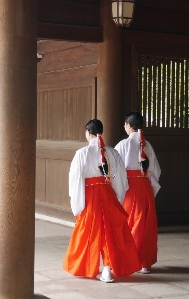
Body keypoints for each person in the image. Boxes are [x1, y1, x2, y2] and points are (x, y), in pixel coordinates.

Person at [63, 119, 141, 283]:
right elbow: (120, 179)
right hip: (108, 194)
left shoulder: (82, 153)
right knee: (110, 233)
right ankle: (107, 268)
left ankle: (92, 268)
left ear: (87, 133)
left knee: (90, 231)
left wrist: (77, 205)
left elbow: (76, 181)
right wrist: (118, 198)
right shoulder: (112, 152)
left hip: (90, 197)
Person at [115, 111, 161, 274]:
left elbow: (116, 169)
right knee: (145, 224)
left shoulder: (123, 145)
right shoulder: (147, 145)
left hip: (130, 187)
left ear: (128, 125)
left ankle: (129, 259)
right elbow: (155, 170)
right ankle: (144, 263)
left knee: (130, 222)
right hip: (145, 186)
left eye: (125, 124)